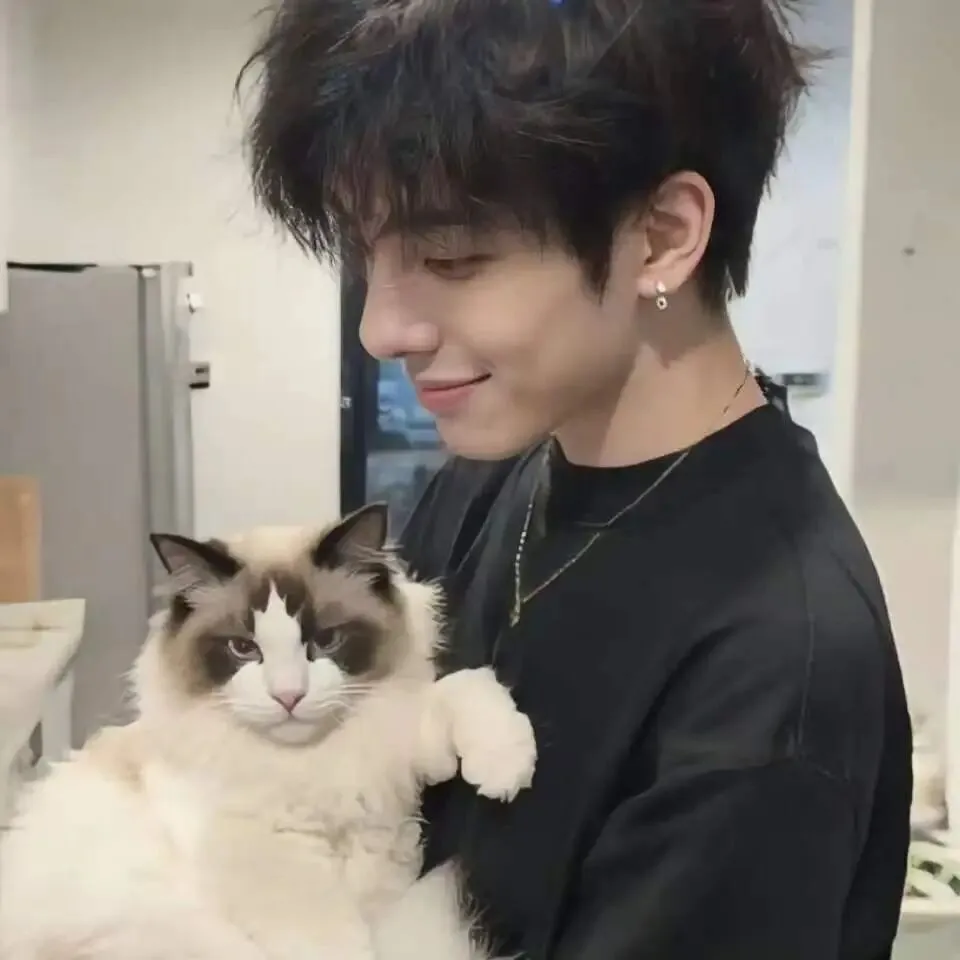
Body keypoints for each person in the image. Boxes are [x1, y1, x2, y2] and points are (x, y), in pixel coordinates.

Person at [241, 1, 912, 957]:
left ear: (663, 237)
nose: (379, 329)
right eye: (365, 257)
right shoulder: (488, 479)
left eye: (449, 257)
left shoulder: (772, 665)